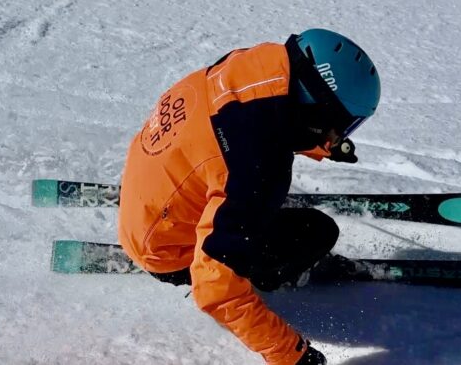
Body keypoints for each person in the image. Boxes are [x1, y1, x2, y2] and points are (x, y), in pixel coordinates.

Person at [117, 29, 381, 365]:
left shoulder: (253, 65)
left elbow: (267, 120)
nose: (340, 136)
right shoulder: (258, 169)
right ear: (318, 111)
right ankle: (264, 274)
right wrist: (292, 356)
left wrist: (323, 143)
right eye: (342, 125)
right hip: (167, 248)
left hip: (150, 191)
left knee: (252, 197)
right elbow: (215, 288)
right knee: (317, 232)